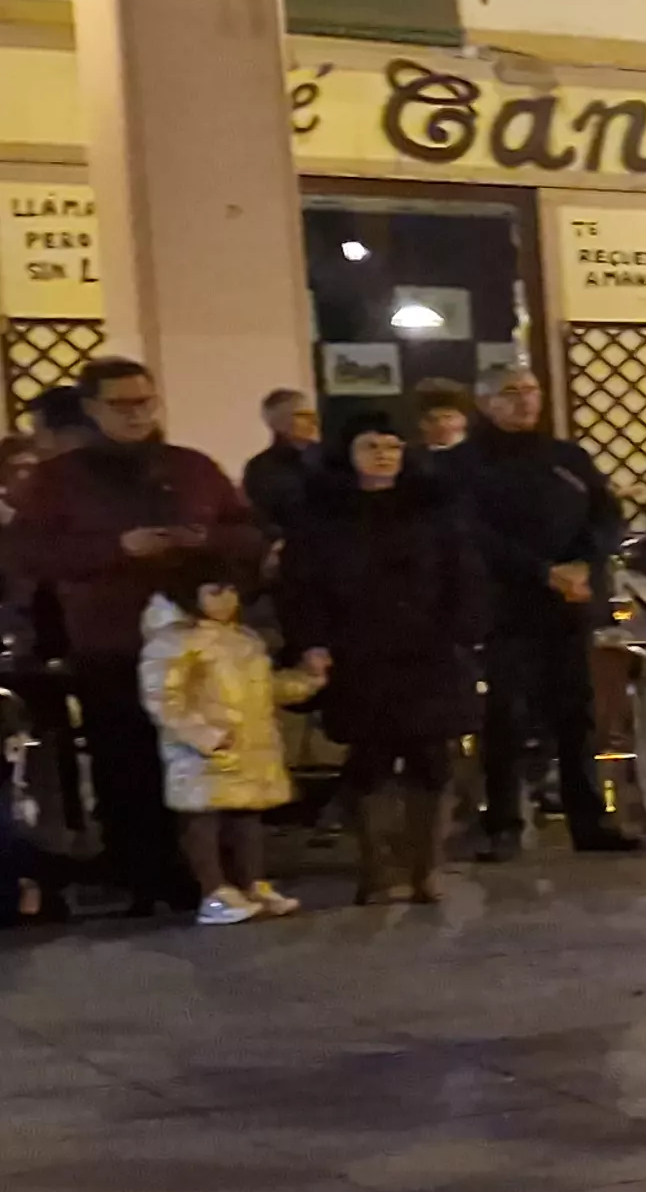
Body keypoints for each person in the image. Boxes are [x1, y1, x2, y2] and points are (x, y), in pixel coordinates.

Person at [0, 357, 262, 913]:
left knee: (204, 759)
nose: (136, 414)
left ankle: (215, 875)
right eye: (120, 405)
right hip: (113, 642)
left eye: (144, 402)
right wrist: (116, 548)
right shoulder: (59, 479)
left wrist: (203, 540)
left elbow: (248, 534)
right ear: (92, 409)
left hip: (201, 646)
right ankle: (143, 876)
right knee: (127, 763)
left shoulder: (191, 467)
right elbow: (28, 553)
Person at [289, 413, 486, 906]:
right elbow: (302, 586)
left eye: (392, 447)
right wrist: (312, 643)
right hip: (359, 651)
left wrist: (464, 630)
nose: (383, 456)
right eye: (371, 446)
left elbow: (463, 572)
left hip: (430, 649)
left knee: (431, 757)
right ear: (349, 453)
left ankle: (426, 869)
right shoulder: (323, 514)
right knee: (370, 758)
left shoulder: (433, 507)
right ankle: (377, 871)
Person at [450, 363, 638, 857]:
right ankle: (503, 823)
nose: (524, 401)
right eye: (510, 392)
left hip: (570, 603)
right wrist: (540, 571)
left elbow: (606, 513)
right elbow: (471, 531)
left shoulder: (566, 457)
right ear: (485, 402)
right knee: (505, 717)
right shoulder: (462, 464)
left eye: (531, 390)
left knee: (576, 714)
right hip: (504, 606)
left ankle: (589, 820)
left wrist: (585, 563)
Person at [140, 564, 312, 925]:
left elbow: (265, 688)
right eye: (215, 592)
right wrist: (204, 735)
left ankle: (252, 884)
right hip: (202, 752)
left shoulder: (242, 639)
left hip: (246, 748)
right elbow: (162, 698)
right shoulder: (175, 641)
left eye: (231, 591)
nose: (226, 600)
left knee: (246, 818)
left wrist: (306, 680)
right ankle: (213, 891)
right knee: (204, 820)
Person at [241, 390, 318, 538]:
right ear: (278, 423)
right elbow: (266, 521)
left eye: (312, 414)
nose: (313, 420)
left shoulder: (329, 458)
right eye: (302, 415)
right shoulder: (261, 469)